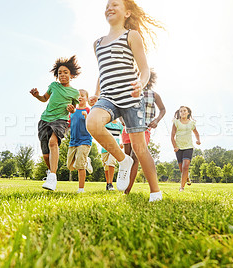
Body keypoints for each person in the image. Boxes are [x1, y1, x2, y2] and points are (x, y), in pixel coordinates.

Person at [86, 0, 164, 202]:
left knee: (140, 147)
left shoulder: (131, 35)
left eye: (115, 4)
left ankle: (155, 192)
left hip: (130, 97)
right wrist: (96, 92)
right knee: (92, 123)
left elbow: (144, 68)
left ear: (127, 12)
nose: (109, 7)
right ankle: (123, 160)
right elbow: (103, 72)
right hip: (108, 97)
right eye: (107, 5)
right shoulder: (97, 43)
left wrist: (141, 82)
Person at [30, 55, 81, 191]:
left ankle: (52, 177)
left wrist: (72, 109)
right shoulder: (53, 86)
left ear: (71, 74)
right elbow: (44, 99)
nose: (62, 75)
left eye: (65, 72)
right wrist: (37, 96)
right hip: (45, 119)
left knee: (53, 143)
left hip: (61, 120)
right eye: (59, 73)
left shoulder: (75, 92)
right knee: (46, 155)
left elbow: (74, 108)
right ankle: (51, 172)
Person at [123, 69, 166, 194]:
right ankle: (124, 183)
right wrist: (122, 119)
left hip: (144, 129)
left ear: (149, 79)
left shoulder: (154, 95)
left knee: (135, 157)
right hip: (128, 128)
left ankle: (127, 191)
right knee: (127, 158)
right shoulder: (129, 92)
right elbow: (121, 107)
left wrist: (157, 120)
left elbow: (163, 109)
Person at [66, 89, 93, 194]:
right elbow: (68, 124)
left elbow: (93, 123)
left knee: (80, 166)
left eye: (82, 95)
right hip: (73, 141)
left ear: (86, 98)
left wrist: (87, 116)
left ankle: (81, 189)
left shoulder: (89, 110)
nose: (80, 97)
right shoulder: (72, 111)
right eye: (78, 96)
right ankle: (87, 161)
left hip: (85, 140)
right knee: (70, 166)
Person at [171, 106, 201, 191]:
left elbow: (196, 133)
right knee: (181, 168)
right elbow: (172, 136)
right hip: (179, 148)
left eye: (184, 111)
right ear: (179, 113)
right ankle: (187, 177)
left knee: (185, 166)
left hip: (189, 147)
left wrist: (198, 140)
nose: (183, 112)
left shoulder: (191, 123)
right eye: (181, 111)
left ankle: (181, 187)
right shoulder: (176, 122)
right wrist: (175, 146)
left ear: (188, 113)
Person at [101, 119, 124, 191]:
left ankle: (110, 184)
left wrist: (122, 143)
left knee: (111, 163)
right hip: (105, 147)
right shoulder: (105, 123)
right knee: (106, 167)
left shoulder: (120, 125)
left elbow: (122, 135)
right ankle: (108, 183)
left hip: (115, 147)